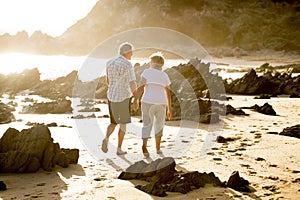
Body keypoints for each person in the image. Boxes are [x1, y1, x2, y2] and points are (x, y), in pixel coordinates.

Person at [133, 52, 172, 158]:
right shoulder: (164, 75)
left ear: (154, 63)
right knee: (159, 126)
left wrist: (135, 99)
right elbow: (168, 92)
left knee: (147, 125)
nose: (149, 63)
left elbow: (141, 87)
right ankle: (158, 149)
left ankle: (144, 146)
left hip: (148, 101)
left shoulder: (147, 72)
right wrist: (169, 109)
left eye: (150, 61)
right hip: (161, 102)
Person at [101, 42, 137, 155]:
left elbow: (108, 81)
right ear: (126, 52)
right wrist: (136, 99)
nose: (132, 54)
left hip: (111, 96)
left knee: (113, 122)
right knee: (123, 123)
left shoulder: (109, 62)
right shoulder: (128, 64)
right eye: (131, 52)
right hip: (124, 97)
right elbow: (132, 82)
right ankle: (119, 149)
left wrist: (114, 87)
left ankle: (106, 138)